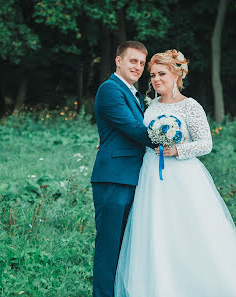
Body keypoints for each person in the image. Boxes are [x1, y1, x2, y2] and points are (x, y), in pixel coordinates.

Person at [114, 49, 236, 297]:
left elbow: (206, 144)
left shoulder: (190, 106)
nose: (155, 79)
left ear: (176, 75)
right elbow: (141, 136)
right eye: (152, 75)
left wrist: (176, 150)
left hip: (183, 177)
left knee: (189, 230)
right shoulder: (151, 105)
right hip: (152, 176)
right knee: (156, 231)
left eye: (161, 74)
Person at [90, 41, 155, 297]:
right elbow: (135, 129)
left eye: (141, 63)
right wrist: (174, 139)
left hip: (133, 177)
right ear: (118, 61)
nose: (137, 67)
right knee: (109, 247)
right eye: (133, 61)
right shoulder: (110, 89)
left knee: (126, 247)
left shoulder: (135, 94)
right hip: (113, 179)